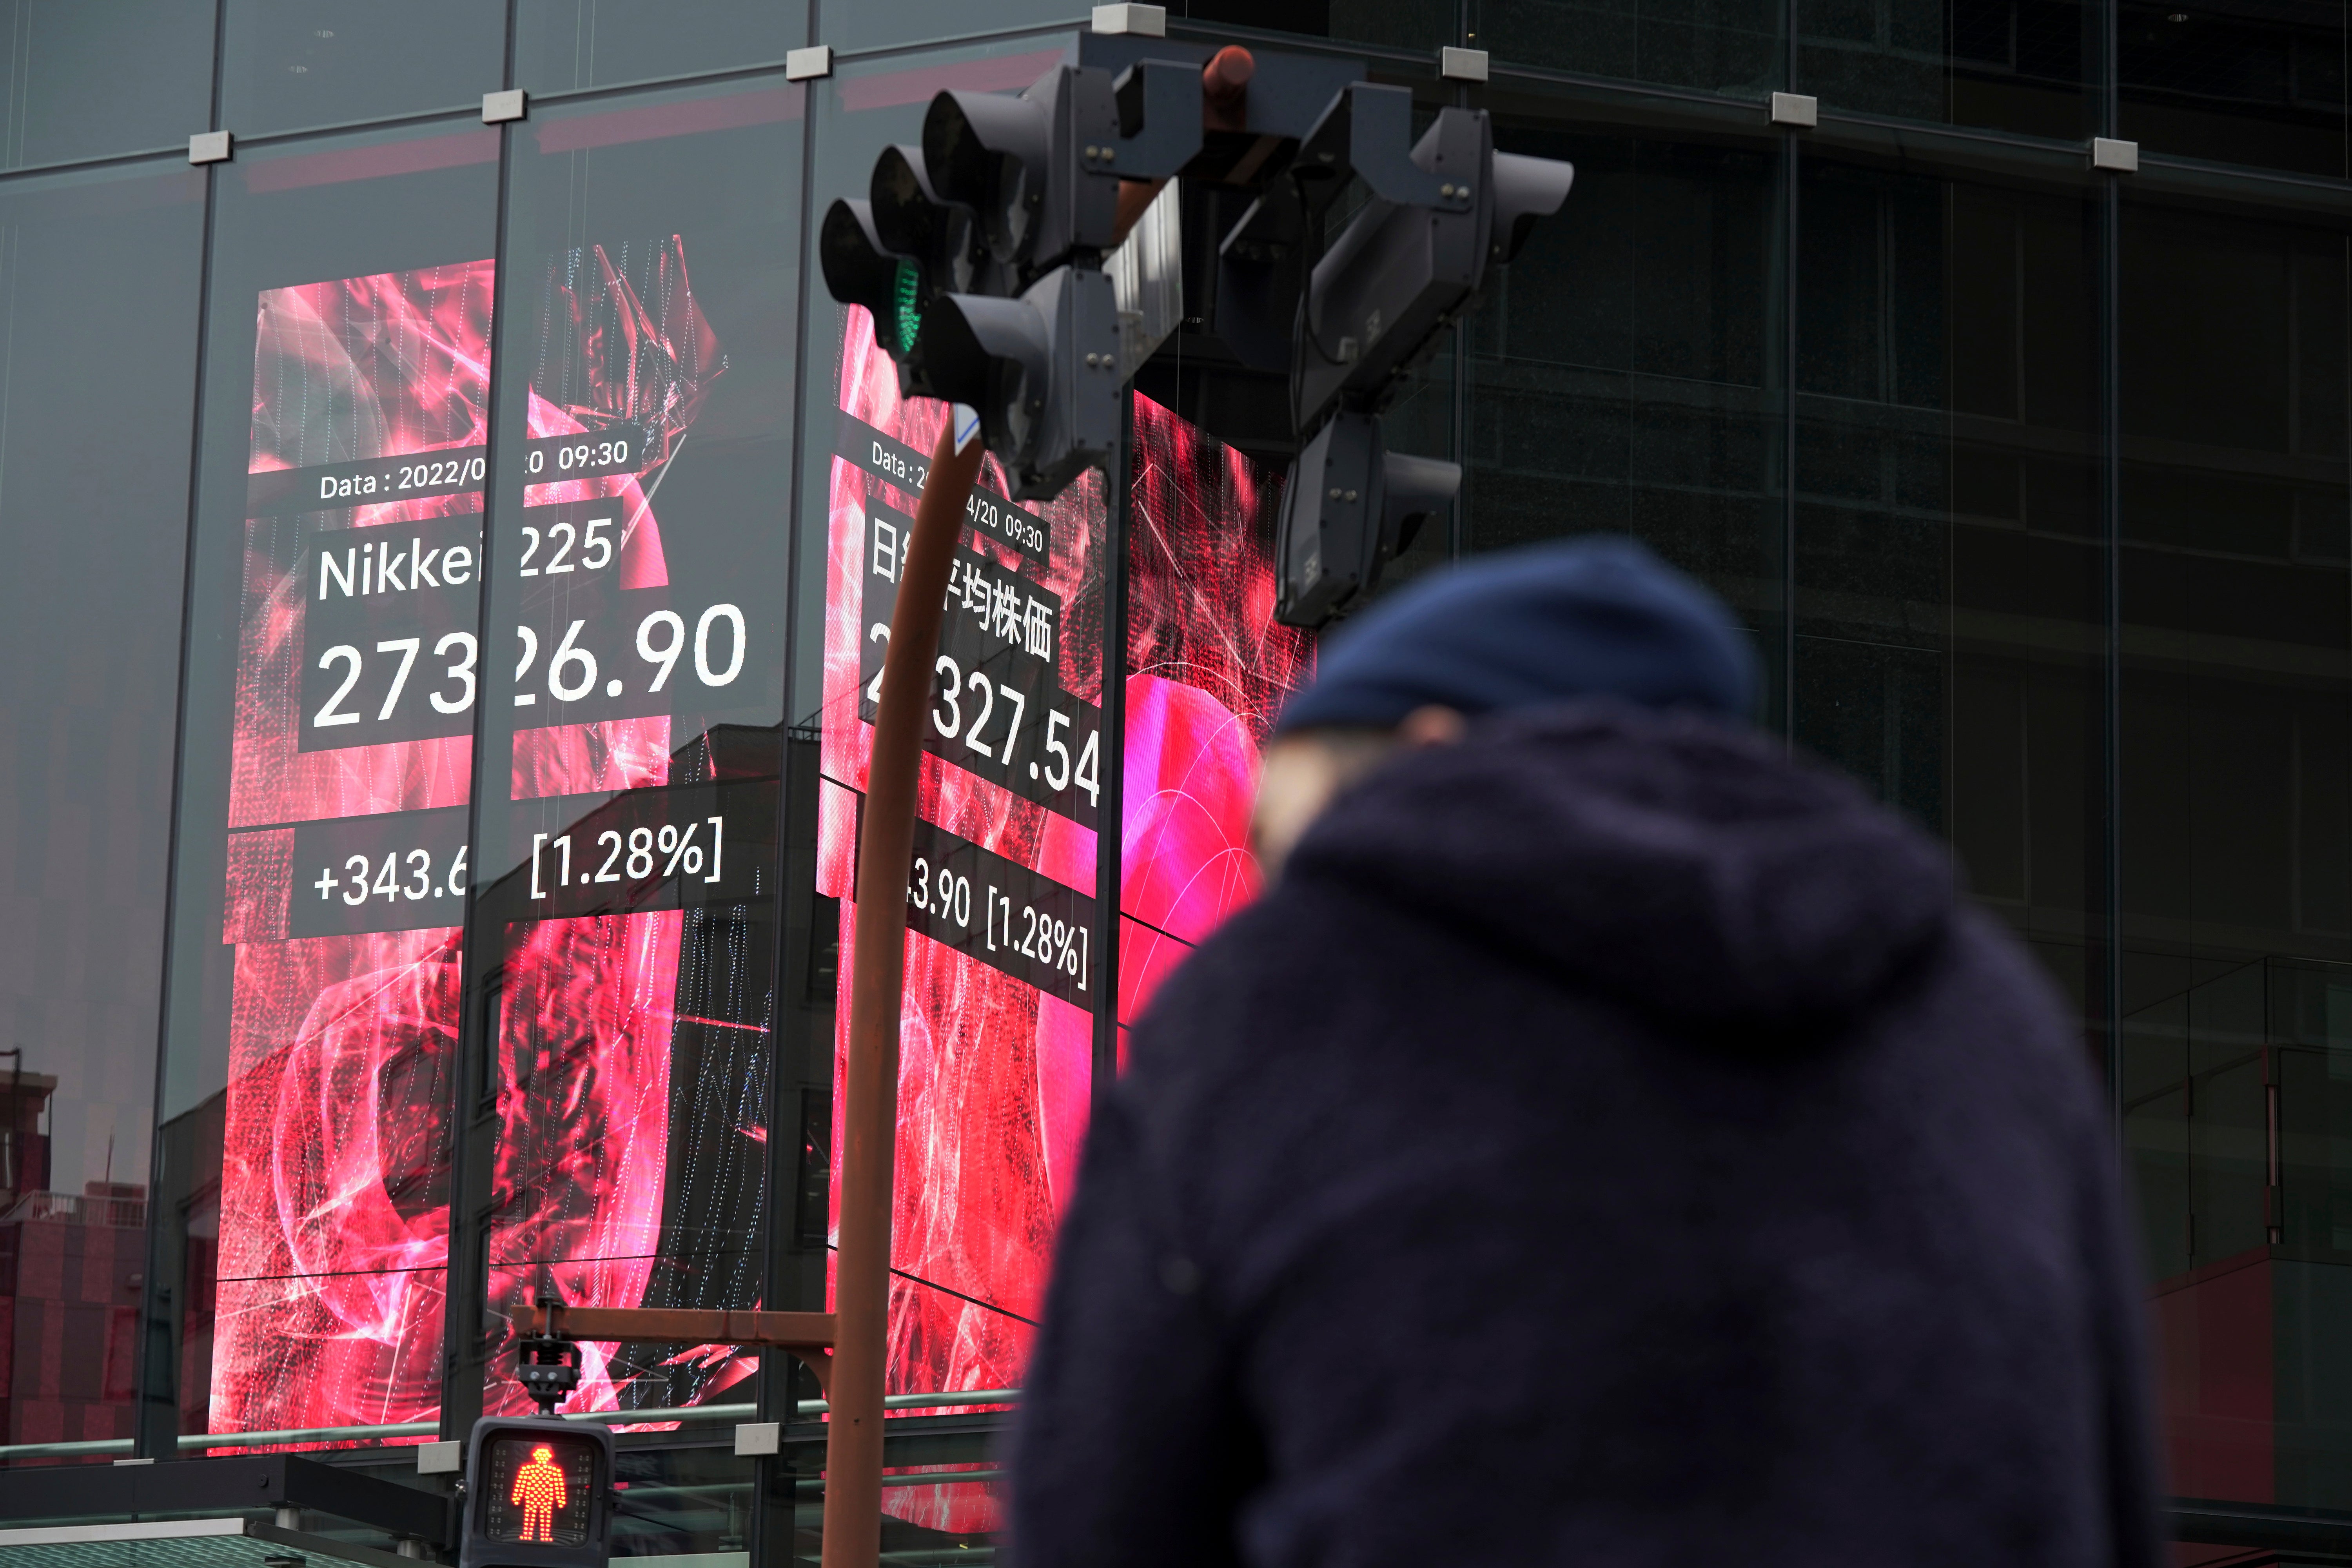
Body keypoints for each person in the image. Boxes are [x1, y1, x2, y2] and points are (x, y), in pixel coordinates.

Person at [1008, 537, 2160, 1565]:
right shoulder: (1989, 1018)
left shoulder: (1274, 1004)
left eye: (1284, 831)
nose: (1272, 881)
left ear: (1433, 752)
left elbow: (1098, 1506)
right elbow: (2112, 1493)